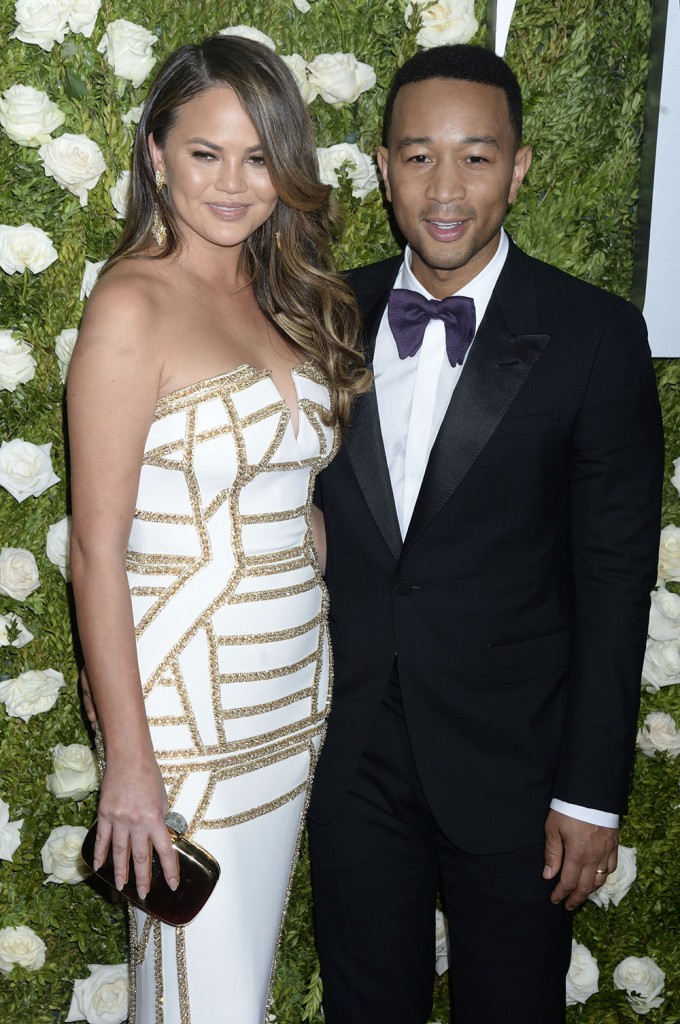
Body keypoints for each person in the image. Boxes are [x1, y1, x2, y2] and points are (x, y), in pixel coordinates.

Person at [307, 43, 664, 1024]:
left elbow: (611, 578)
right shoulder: (324, 314)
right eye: (418, 156)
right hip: (356, 761)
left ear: (519, 166)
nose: (444, 186)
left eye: (474, 155)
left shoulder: (593, 337)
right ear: (382, 168)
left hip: (518, 775)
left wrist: (589, 797)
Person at [68, 35, 367, 1024]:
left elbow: (290, 500)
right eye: (205, 153)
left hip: (290, 700)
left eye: (256, 156)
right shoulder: (131, 304)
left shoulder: (274, 294)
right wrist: (129, 759)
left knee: (232, 986)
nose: (234, 183)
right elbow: (96, 552)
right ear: (156, 155)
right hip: (186, 720)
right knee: (204, 1002)